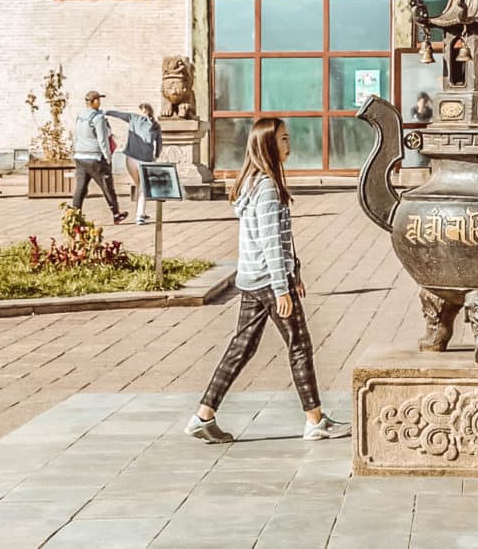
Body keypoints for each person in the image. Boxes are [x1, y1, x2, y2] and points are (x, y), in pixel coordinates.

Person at [187, 119, 346, 444]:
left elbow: (278, 238)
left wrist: (294, 272)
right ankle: (315, 420)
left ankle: (203, 415)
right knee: (299, 345)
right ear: (267, 146)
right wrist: (281, 287)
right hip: (267, 281)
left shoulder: (255, 183)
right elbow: (271, 241)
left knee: (242, 347)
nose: (289, 144)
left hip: (252, 278)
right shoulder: (267, 189)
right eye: (284, 139)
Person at [68, 89, 135, 224]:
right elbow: (102, 140)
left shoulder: (80, 116)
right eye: (99, 100)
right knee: (107, 186)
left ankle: (74, 217)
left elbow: (76, 135)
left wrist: (76, 150)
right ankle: (116, 214)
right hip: (95, 158)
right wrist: (108, 157)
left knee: (80, 188)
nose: (100, 102)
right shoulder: (98, 118)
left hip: (80, 157)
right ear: (95, 102)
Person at [122, 102, 162, 224]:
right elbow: (159, 145)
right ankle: (139, 215)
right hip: (145, 160)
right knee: (143, 187)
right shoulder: (155, 126)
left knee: (140, 185)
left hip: (130, 159)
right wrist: (155, 156)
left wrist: (105, 112)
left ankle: (141, 212)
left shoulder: (134, 119)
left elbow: (118, 114)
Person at [403, 91, 434, 175]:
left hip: (427, 135)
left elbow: (431, 120)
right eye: (422, 101)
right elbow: (417, 120)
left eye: (425, 101)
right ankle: (419, 171)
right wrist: (420, 109)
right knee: (420, 156)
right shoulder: (414, 109)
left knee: (427, 156)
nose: (424, 103)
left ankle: (425, 171)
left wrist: (431, 102)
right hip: (416, 137)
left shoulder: (429, 110)